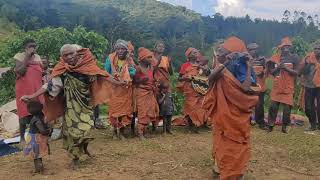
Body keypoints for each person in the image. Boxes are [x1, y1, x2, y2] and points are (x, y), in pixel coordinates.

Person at [21, 44, 118, 169]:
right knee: (73, 133)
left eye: (71, 53)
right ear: (62, 57)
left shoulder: (87, 65)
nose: (69, 57)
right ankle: (75, 158)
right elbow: (50, 86)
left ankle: (85, 148)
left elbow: (102, 75)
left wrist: (119, 82)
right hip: (71, 107)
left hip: (86, 105)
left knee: (86, 130)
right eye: (65, 55)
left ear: (77, 53)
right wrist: (33, 95)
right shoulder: (62, 70)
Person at [203, 36, 260, 180]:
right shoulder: (223, 66)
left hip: (237, 114)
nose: (220, 52)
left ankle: (236, 170)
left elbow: (247, 88)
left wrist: (248, 66)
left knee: (236, 142)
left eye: (223, 50)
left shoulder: (242, 66)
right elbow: (210, 79)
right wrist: (226, 61)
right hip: (223, 112)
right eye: (220, 50)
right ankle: (220, 167)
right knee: (221, 139)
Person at [267, 37, 300, 133]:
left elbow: (297, 72)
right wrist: (278, 68)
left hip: (288, 85)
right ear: (281, 48)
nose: (286, 48)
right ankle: (270, 125)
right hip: (277, 85)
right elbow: (271, 72)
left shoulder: (294, 58)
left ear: (290, 47)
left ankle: (284, 126)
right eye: (284, 47)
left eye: (288, 46)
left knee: (287, 108)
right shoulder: (276, 57)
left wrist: (285, 68)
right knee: (273, 106)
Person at [104, 39, 136, 140]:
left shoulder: (129, 60)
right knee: (113, 111)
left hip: (126, 89)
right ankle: (114, 132)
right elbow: (106, 73)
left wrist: (124, 75)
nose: (120, 51)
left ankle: (121, 132)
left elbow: (134, 72)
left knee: (124, 111)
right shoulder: (110, 59)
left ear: (126, 50)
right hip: (113, 89)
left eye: (123, 49)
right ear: (115, 50)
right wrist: (117, 79)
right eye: (118, 49)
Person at [14, 39, 44, 146]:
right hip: (23, 89)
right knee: (23, 112)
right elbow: (20, 71)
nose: (33, 48)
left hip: (37, 89)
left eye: (35, 46)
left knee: (38, 111)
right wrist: (27, 57)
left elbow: (41, 71)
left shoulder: (38, 57)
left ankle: (37, 135)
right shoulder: (19, 56)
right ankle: (22, 137)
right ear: (25, 48)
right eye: (31, 46)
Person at [177, 47, 208, 133]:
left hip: (200, 89)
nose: (196, 54)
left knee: (199, 107)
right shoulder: (185, 65)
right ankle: (189, 126)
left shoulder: (200, 65)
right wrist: (186, 78)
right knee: (190, 107)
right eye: (194, 53)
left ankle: (197, 125)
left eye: (197, 52)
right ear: (189, 55)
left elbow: (204, 77)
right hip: (189, 89)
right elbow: (179, 78)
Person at [134, 47, 159, 140]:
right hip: (141, 92)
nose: (150, 59)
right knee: (142, 111)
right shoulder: (138, 68)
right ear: (142, 59)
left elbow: (152, 78)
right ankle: (140, 133)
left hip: (150, 92)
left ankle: (146, 131)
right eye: (148, 57)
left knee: (150, 111)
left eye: (151, 57)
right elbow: (135, 81)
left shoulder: (151, 68)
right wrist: (141, 80)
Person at [23, 101, 51, 174]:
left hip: (32, 138)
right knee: (38, 155)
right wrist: (49, 130)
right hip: (36, 139)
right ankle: (41, 170)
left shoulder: (34, 118)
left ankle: (37, 169)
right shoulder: (37, 120)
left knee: (36, 155)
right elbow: (42, 131)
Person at [300, 42, 320, 131]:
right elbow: (301, 72)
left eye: (319, 49)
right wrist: (306, 63)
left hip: (319, 86)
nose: (317, 50)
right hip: (308, 85)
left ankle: (317, 125)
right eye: (315, 48)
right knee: (308, 107)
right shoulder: (308, 58)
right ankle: (313, 123)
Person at [247, 43, 268, 130]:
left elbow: (266, 71)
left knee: (259, 105)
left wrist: (262, 73)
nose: (254, 51)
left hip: (260, 85)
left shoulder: (262, 59)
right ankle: (247, 121)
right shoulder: (246, 59)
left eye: (255, 49)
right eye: (252, 50)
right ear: (249, 51)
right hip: (249, 85)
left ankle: (261, 122)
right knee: (247, 104)